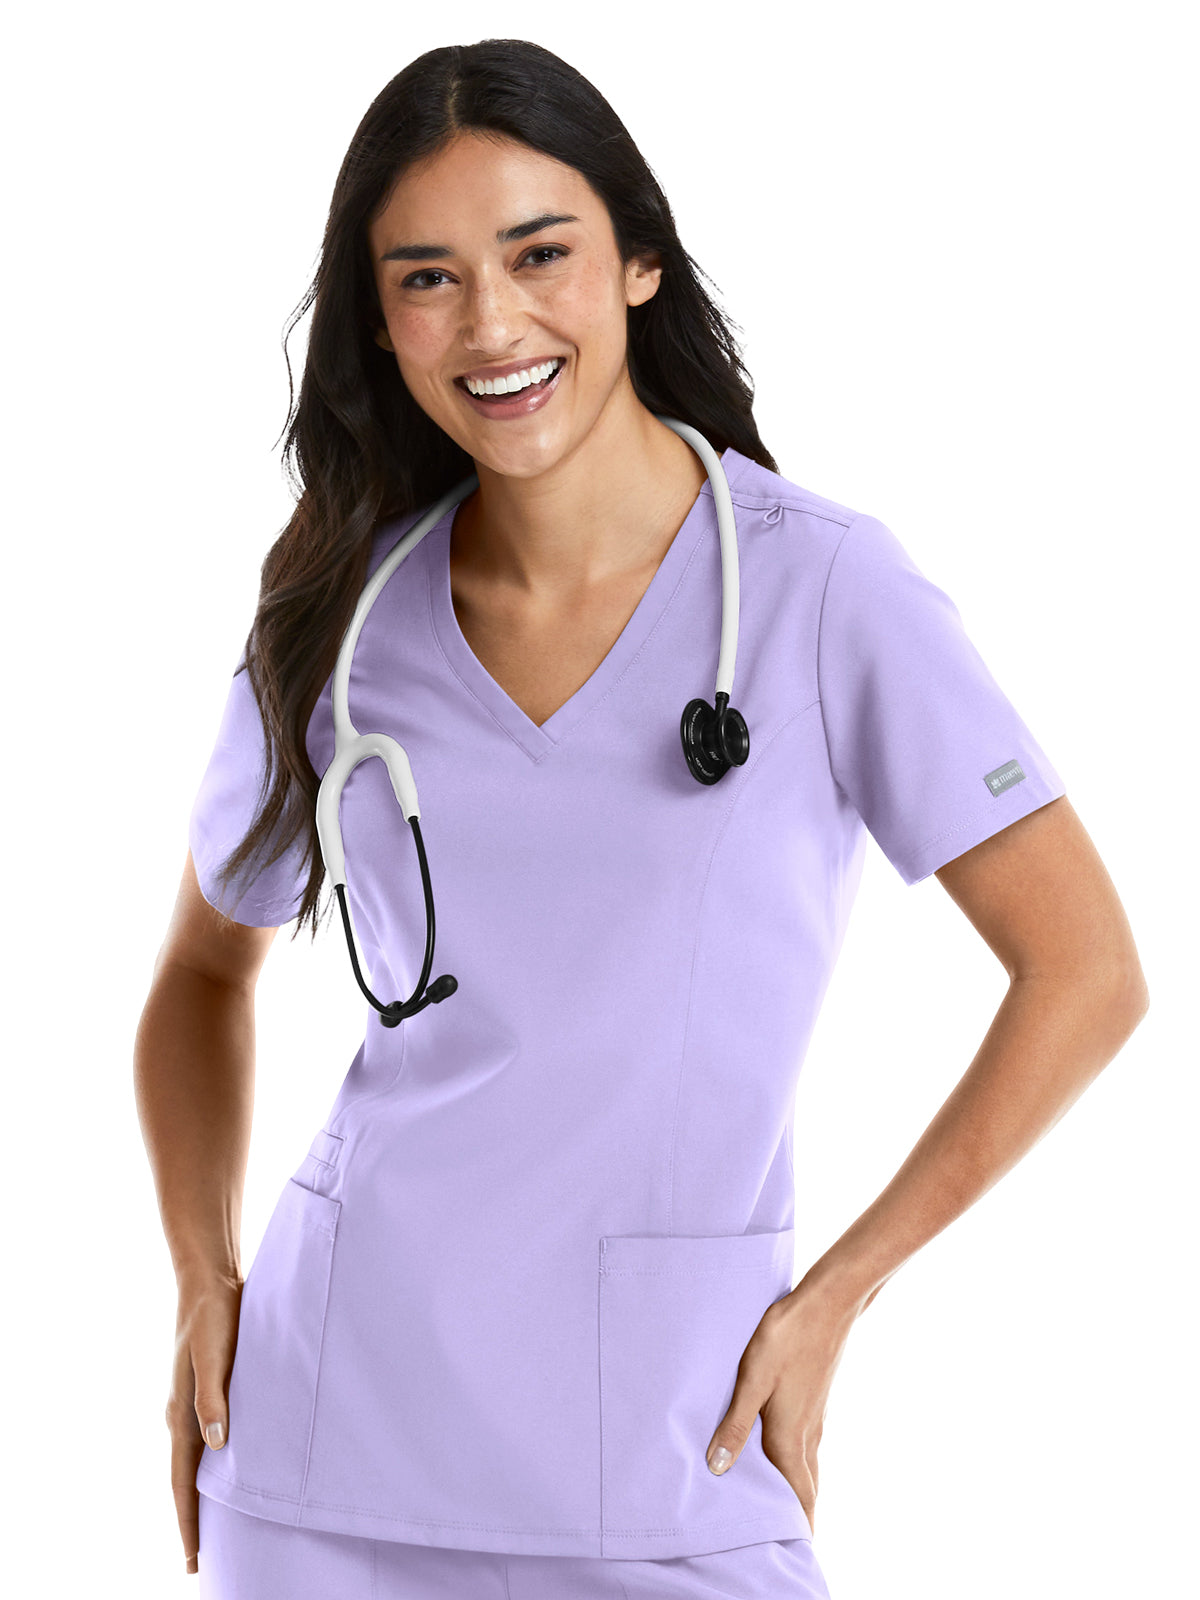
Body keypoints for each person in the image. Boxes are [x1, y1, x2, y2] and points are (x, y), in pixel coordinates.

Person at [134, 37, 1149, 1600]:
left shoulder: (825, 593)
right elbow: (205, 975)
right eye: (427, 279)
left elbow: (1086, 974)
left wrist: (838, 1299)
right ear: (381, 326)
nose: (492, 323)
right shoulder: (341, 616)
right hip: (326, 1457)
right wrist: (204, 1276)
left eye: (539, 253)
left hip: (677, 1457)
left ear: (639, 263)